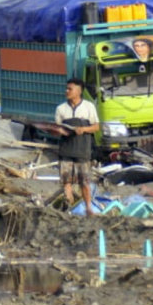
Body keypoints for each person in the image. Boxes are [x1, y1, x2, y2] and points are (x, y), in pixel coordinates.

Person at [55, 78, 100, 215]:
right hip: (66, 150)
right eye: (66, 88)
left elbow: (96, 127)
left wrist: (83, 129)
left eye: (70, 89)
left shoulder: (88, 107)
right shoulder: (61, 109)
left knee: (84, 182)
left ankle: (88, 208)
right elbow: (56, 128)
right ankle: (70, 207)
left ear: (79, 91)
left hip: (82, 151)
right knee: (66, 182)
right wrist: (59, 131)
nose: (66, 91)